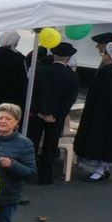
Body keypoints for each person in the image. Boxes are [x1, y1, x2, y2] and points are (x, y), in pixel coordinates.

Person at [75, 34, 112, 181]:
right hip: (107, 113)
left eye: (100, 45)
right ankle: (103, 167)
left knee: (103, 140)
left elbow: (109, 98)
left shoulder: (111, 73)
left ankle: (101, 169)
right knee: (107, 140)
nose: (97, 47)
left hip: (105, 114)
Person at [30, 42, 81, 186]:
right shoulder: (72, 76)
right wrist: (58, 115)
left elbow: (32, 94)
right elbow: (70, 100)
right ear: (68, 58)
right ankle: (45, 177)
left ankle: (29, 173)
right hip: (56, 117)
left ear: (54, 55)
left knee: (33, 142)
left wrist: (38, 111)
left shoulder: (41, 71)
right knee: (50, 146)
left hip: (38, 114)